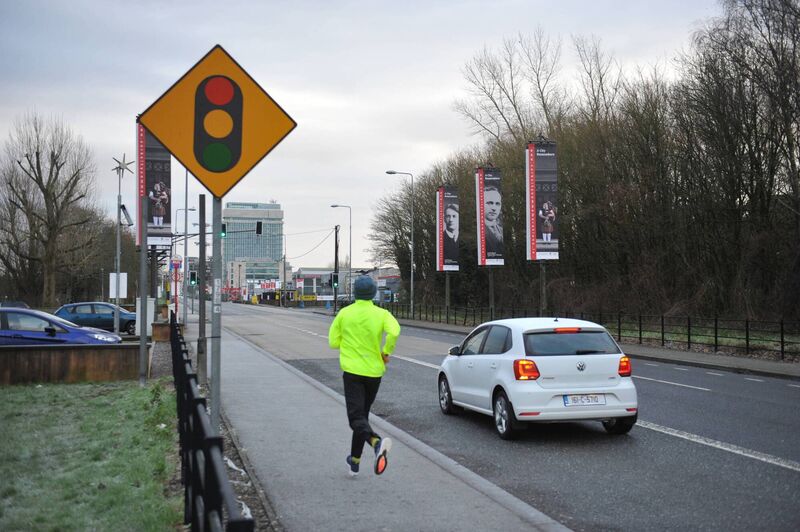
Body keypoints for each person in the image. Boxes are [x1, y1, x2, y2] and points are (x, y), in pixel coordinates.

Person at [328, 275, 401, 477]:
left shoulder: (344, 313)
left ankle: (376, 442)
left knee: (355, 419)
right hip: (374, 373)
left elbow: (333, 342)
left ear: (355, 293)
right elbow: (395, 331)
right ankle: (355, 461)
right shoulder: (382, 314)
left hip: (352, 372)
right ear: (373, 293)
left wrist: (348, 342)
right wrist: (386, 351)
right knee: (363, 416)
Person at [484, 185, 503, 256]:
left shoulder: (501, 230)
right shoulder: (478, 231)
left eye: (497, 204)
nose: (494, 208)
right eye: (490, 203)